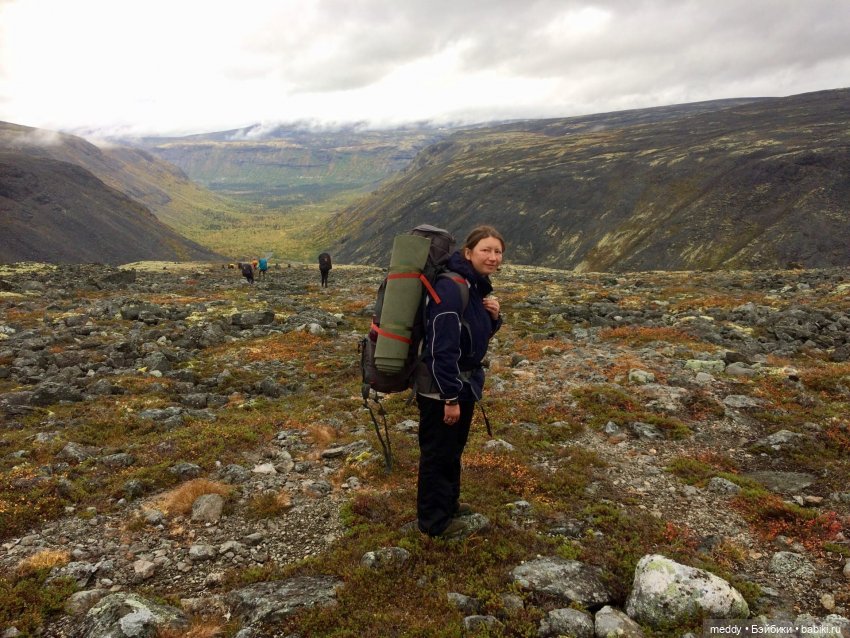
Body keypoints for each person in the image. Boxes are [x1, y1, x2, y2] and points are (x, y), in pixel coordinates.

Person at [415, 225, 504, 538]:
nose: (493, 257)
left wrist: (494, 319)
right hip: (443, 389)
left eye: (497, 251)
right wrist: (449, 397)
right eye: (486, 250)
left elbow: (471, 338)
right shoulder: (453, 287)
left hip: (461, 385)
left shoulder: (473, 285)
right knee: (438, 454)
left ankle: (448, 507)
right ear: (468, 253)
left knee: (451, 451)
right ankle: (434, 524)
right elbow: (443, 346)